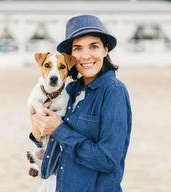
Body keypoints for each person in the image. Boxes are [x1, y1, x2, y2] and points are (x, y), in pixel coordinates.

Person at [29, 14, 132, 192]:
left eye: (93, 46)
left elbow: (109, 160)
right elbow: (51, 144)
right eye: (77, 48)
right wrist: (39, 132)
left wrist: (59, 129)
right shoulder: (69, 90)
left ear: (105, 50)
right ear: (71, 56)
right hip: (56, 185)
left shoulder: (113, 91)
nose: (85, 56)